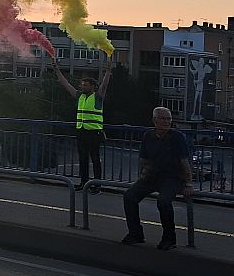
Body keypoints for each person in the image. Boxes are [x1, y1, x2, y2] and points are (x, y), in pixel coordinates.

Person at [122, 107, 194, 250]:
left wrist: (189, 183)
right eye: (163, 118)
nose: (167, 122)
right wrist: (141, 176)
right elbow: (143, 159)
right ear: (155, 120)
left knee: (163, 201)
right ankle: (135, 233)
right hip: (152, 175)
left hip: (171, 178)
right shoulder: (148, 136)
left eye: (169, 119)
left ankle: (169, 238)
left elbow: (185, 162)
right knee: (129, 196)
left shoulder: (177, 137)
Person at [53, 56, 112, 193]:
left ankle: (97, 185)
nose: (83, 86)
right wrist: (56, 70)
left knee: (95, 159)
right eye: (82, 84)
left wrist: (108, 71)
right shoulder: (80, 96)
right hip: (81, 131)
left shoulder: (97, 96)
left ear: (92, 87)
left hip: (94, 132)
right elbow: (66, 84)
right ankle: (84, 183)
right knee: (83, 158)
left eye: (86, 85)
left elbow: (104, 85)